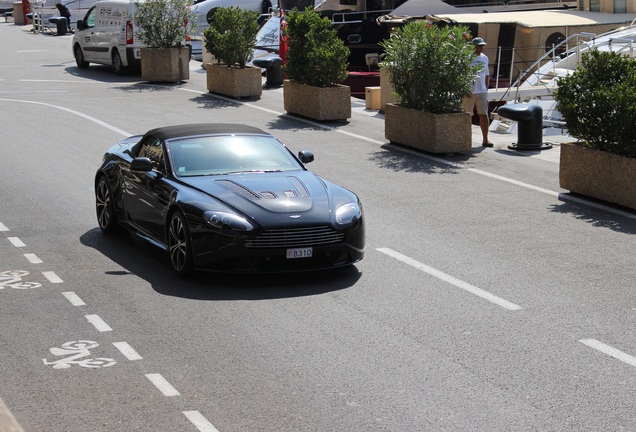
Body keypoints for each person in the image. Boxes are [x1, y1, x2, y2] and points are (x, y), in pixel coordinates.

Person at [463, 37, 492, 147]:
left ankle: (485, 139)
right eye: (479, 46)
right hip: (470, 91)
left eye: (482, 46)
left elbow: (487, 74)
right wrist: (466, 88)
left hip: (482, 90)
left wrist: (486, 87)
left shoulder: (485, 58)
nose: (481, 48)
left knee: (484, 114)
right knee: (467, 115)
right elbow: (463, 74)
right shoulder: (467, 57)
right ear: (473, 46)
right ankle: (465, 140)